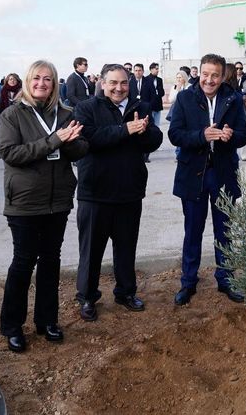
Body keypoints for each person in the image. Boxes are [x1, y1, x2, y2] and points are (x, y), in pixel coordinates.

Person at [0, 60, 88, 352]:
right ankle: (12, 325)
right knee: (23, 262)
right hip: (24, 202)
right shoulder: (13, 114)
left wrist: (71, 142)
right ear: (27, 81)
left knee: (51, 261)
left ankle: (47, 320)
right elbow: (10, 153)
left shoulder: (66, 113)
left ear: (55, 83)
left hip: (57, 200)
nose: (42, 84)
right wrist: (54, 140)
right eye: (36, 78)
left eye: (48, 79)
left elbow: (80, 149)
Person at [74, 64, 162, 321]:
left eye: (123, 83)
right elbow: (89, 138)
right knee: (90, 251)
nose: (119, 88)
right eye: (113, 82)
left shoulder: (140, 108)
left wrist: (143, 132)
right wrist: (125, 130)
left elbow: (155, 141)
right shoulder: (87, 108)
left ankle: (125, 292)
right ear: (102, 83)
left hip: (129, 192)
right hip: (95, 193)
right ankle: (87, 297)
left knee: (126, 248)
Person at [168, 53, 246, 305]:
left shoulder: (233, 99)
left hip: (222, 173)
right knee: (193, 230)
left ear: (222, 75)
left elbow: (243, 136)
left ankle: (226, 279)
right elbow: (175, 135)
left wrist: (230, 135)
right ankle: (188, 282)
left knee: (224, 230)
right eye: (205, 74)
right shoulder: (184, 98)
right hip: (193, 174)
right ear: (198, 73)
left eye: (215, 75)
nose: (209, 80)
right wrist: (202, 135)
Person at [129, 64, 157, 163]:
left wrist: (149, 106)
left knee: (146, 129)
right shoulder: (130, 82)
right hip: (134, 110)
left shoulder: (148, 81)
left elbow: (153, 95)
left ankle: (146, 155)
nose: (137, 72)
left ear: (143, 71)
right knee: (137, 130)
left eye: (139, 70)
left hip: (146, 109)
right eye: (136, 70)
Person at [148, 62, 165, 126]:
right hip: (150, 106)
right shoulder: (146, 79)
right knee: (150, 125)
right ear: (151, 69)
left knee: (157, 125)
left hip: (158, 106)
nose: (158, 70)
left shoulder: (159, 80)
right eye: (156, 69)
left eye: (158, 69)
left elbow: (162, 93)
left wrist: (158, 91)